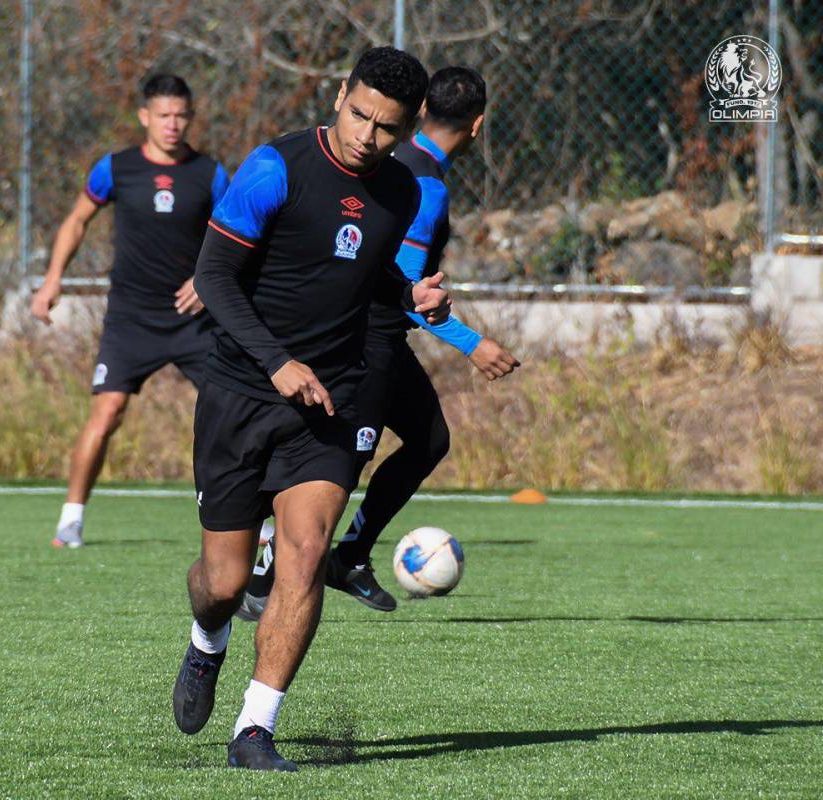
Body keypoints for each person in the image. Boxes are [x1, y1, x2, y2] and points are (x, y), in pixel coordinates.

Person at [171, 47, 448, 771]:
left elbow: (366, 273)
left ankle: (255, 730)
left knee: (305, 553)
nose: (367, 136)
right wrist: (276, 361)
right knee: (224, 585)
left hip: (328, 404)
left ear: (406, 128)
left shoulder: (403, 194)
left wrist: (409, 297)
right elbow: (215, 276)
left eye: (387, 128)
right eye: (359, 115)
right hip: (238, 396)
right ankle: (207, 641)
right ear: (338, 97)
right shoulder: (275, 169)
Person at [239, 66, 520, 617]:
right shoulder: (425, 187)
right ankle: (263, 569)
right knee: (343, 462)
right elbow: (406, 284)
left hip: (373, 336)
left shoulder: (394, 167)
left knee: (428, 439)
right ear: (477, 125)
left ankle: (350, 556)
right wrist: (472, 344)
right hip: (370, 340)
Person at [31, 74, 229, 548]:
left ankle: (257, 524)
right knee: (108, 410)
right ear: (145, 117)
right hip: (131, 319)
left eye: (181, 115)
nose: (172, 124)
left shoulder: (210, 174)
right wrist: (53, 278)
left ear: (191, 117)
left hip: (194, 320)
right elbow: (77, 220)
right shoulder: (116, 169)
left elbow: (233, 238)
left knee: (234, 412)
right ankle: (71, 519)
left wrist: (207, 280)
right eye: (163, 115)